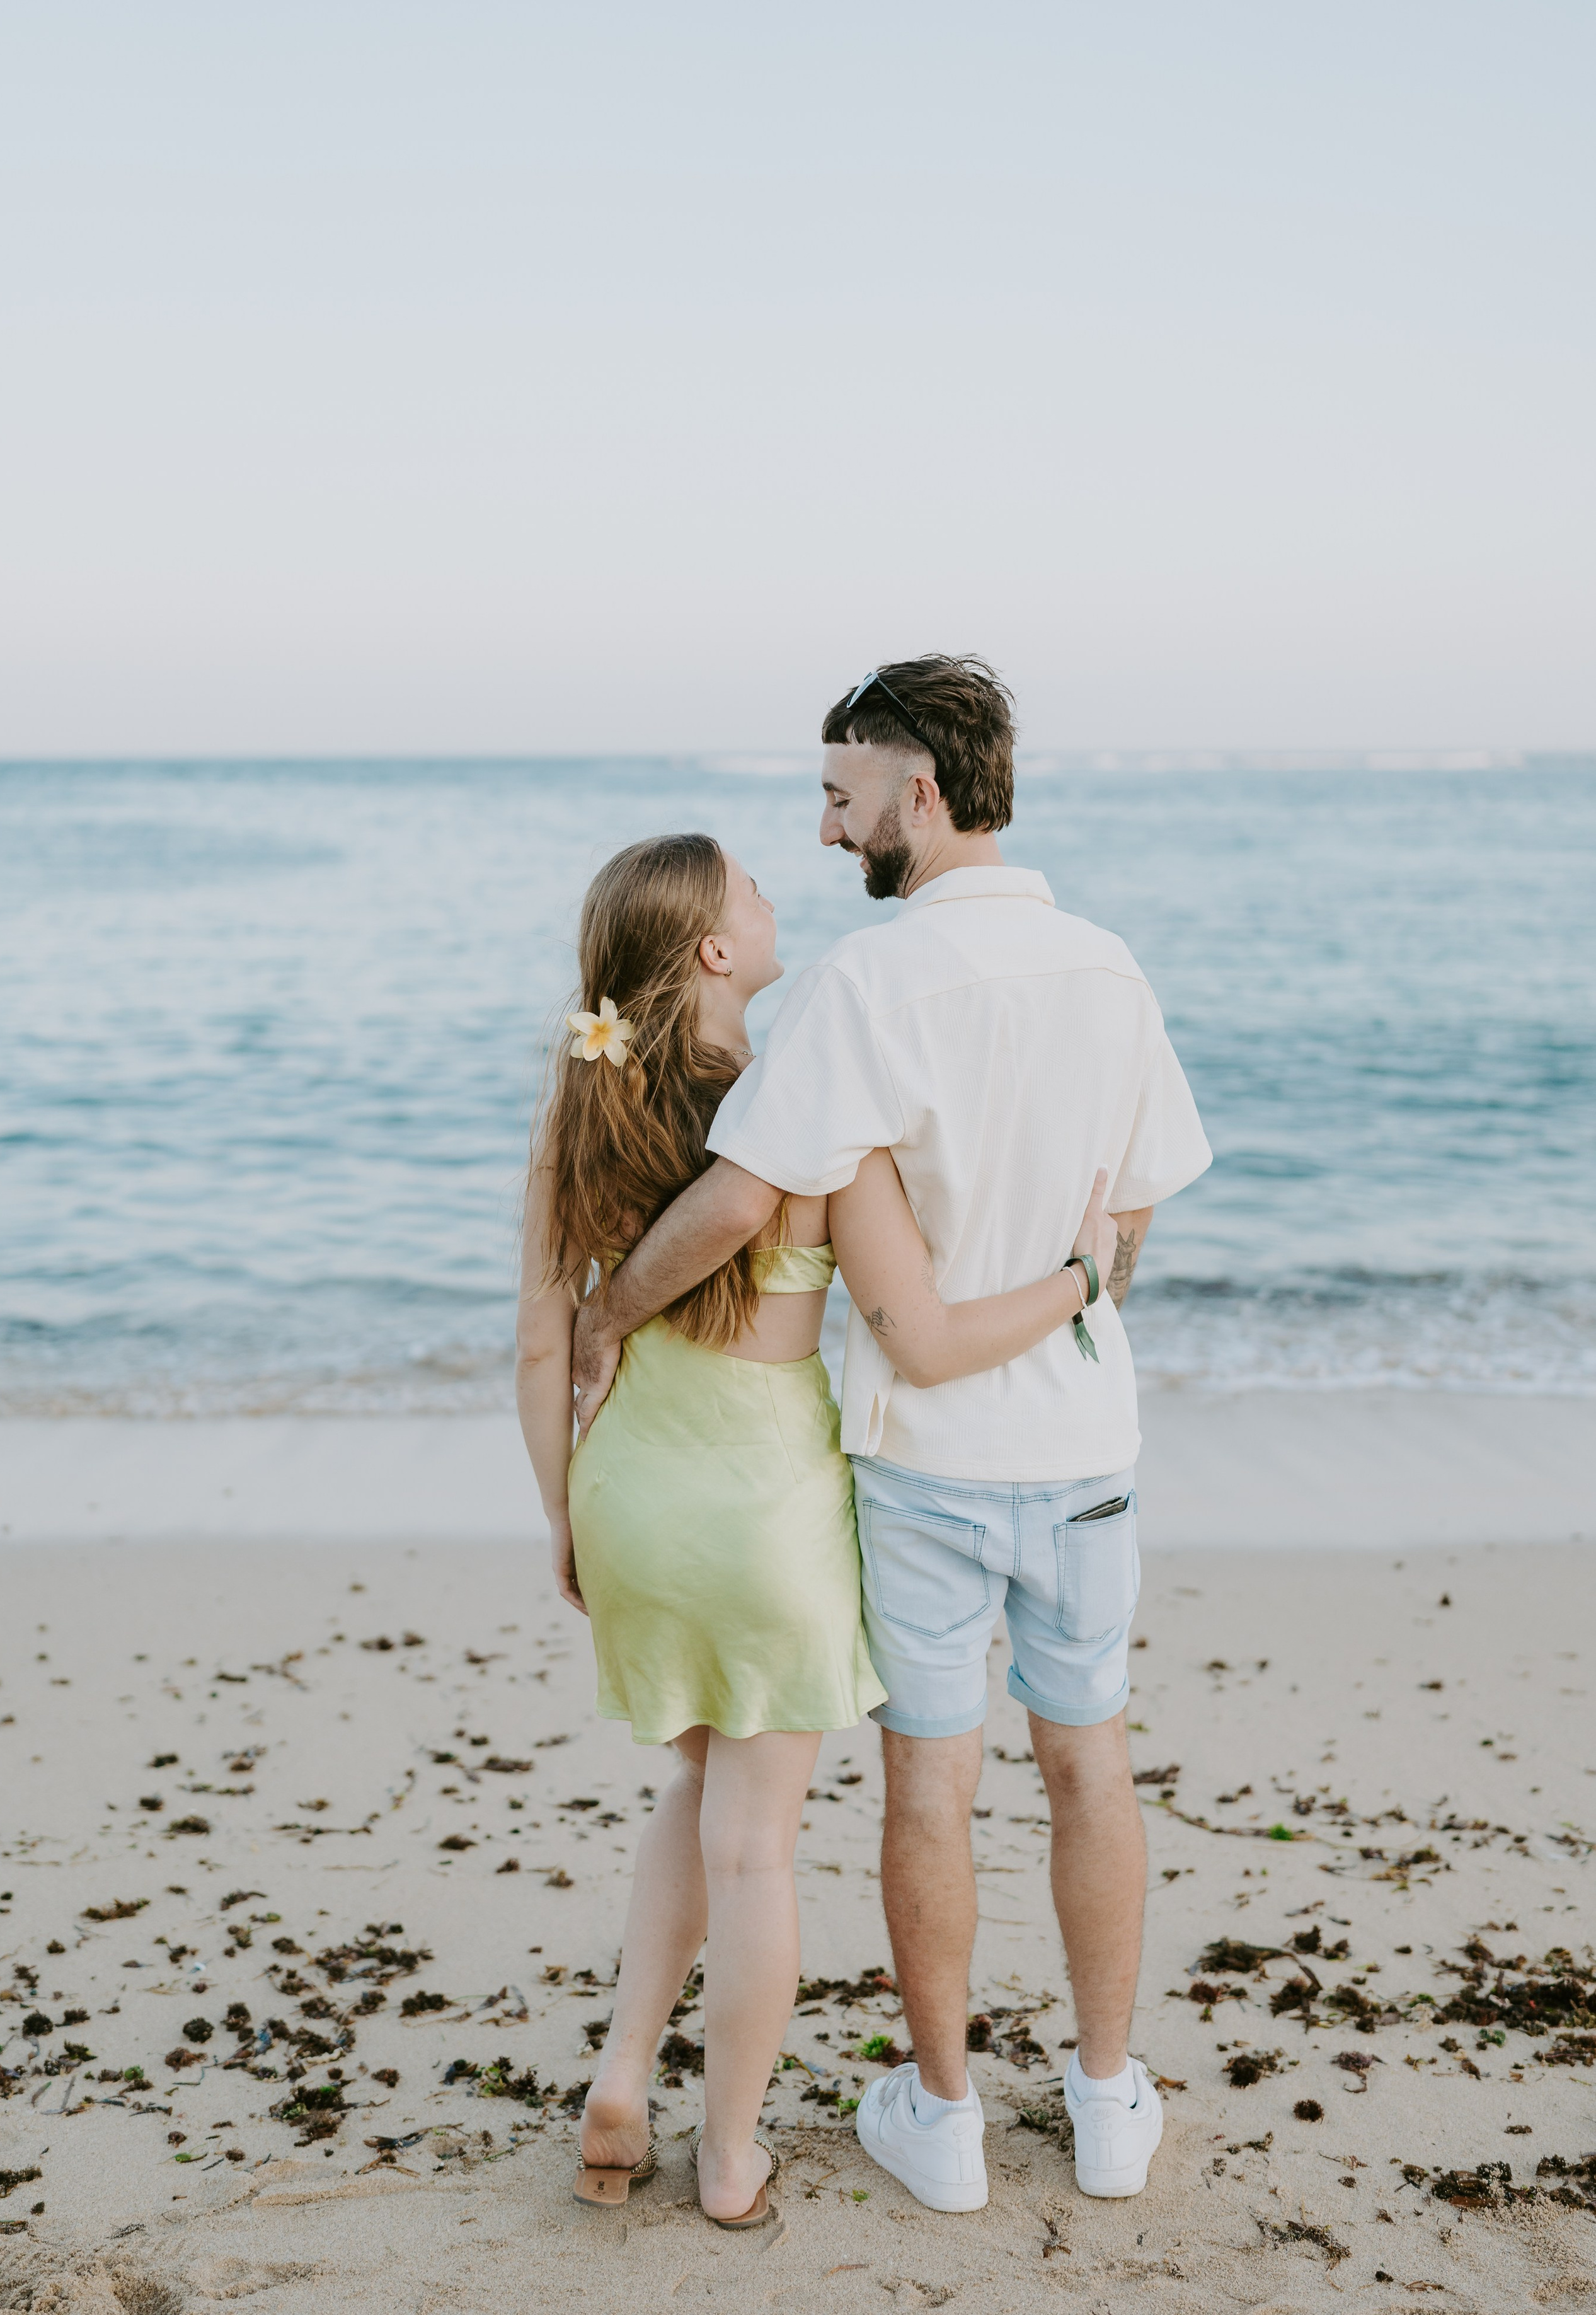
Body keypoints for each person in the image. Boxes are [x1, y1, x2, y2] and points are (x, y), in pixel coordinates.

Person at [571, 657, 1212, 2212]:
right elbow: (1126, 1227)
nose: (825, 829)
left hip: (924, 1462)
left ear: (917, 791)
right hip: (1084, 1449)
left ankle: (945, 2120)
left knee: (930, 1788)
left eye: (840, 796)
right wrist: (1069, 1285)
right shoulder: (1110, 970)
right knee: (1091, 1765)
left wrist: (608, 1314)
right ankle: (1106, 2103)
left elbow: (736, 1201)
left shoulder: (860, 990)